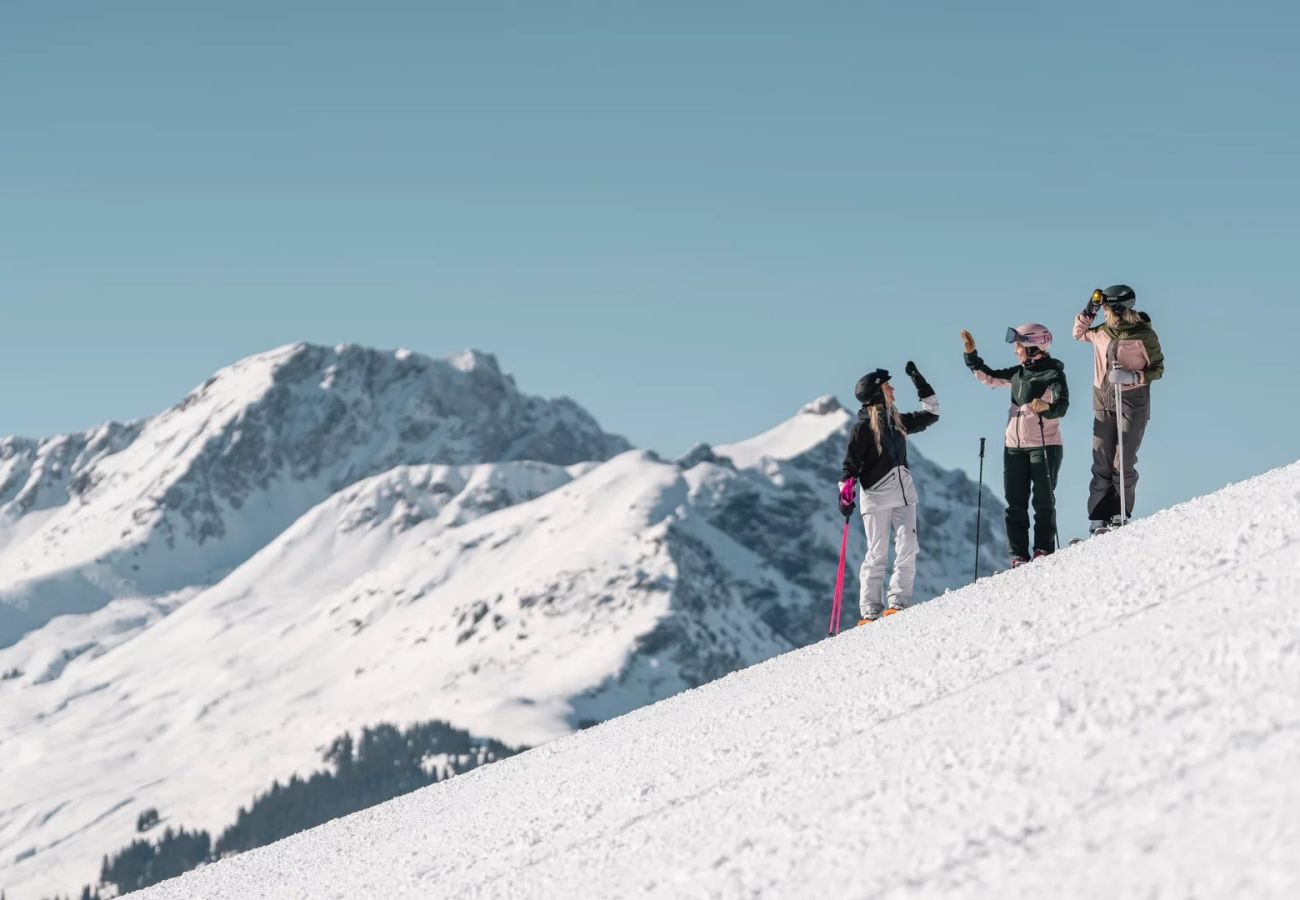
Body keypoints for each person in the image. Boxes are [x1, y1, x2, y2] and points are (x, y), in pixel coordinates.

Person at [838, 362, 939, 624]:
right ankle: (870, 611)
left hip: (905, 493)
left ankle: (898, 603)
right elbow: (850, 467)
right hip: (876, 497)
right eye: (887, 386)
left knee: (908, 545)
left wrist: (919, 380)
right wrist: (846, 492)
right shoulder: (862, 429)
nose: (892, 389)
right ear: (876, 393)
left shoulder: (897, 422)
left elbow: (932, 413)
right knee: (877, 552)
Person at [961, 324, 1069, 567]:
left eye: (1018, 346)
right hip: (1014, 447)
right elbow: (989, 377)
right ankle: (1018, 556)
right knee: (1014, 503)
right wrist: (971, 356)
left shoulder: (1053, 374)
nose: (1015, 351)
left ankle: (1043, 550)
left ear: (1033, 347)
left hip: (1044, 444)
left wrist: (1047, 408)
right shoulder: (1018, 373)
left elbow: (1063, 405)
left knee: (1043, 500)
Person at [1073, 284, 1165, 534]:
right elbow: (1078, 333)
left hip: (1132, 403)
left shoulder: (1143, 335)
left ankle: (1119, 513)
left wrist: (1134, 377)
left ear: (1117, 309)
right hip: (1103, 401)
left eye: (1104, 309)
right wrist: (1088, 309)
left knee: (1122, 460)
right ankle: (1098, 517)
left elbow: (1158, 368)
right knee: (1101, 459)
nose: (1103, 314)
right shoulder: (1101, 332)